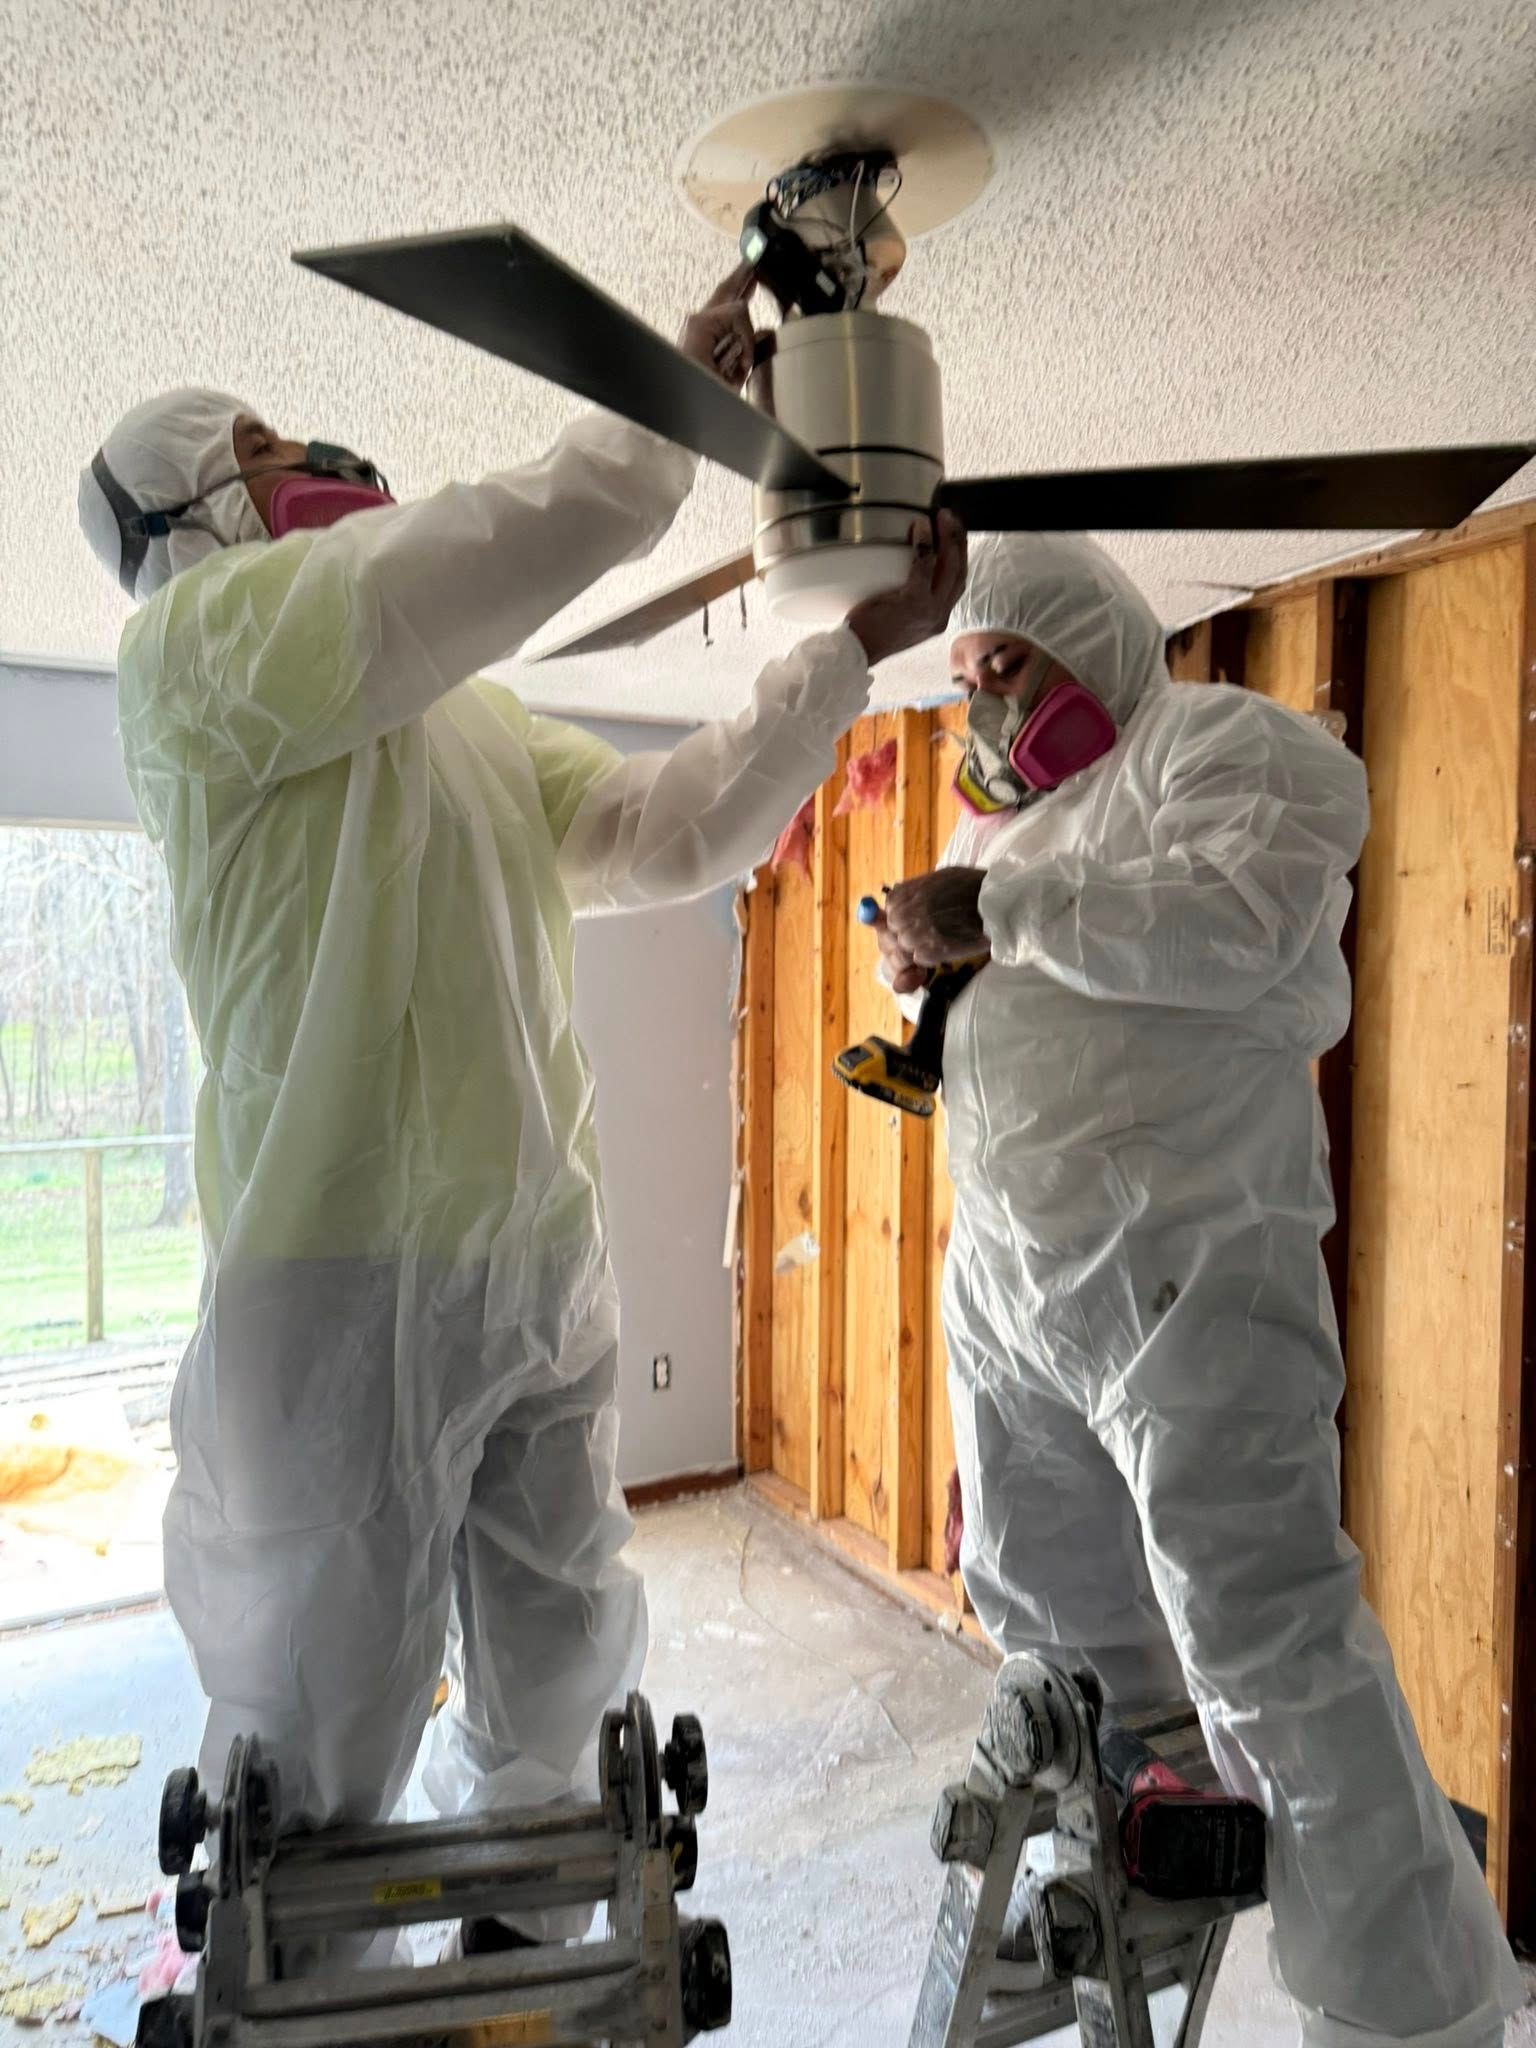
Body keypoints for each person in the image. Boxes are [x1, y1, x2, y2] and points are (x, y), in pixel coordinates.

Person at [77, 268, 966, 1955]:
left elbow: (667, 832)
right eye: (257, 447)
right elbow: (422, 586)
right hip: (334, 1291)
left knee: (556, 1701)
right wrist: (657, 434)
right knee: (318, 1772)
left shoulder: (462, 721)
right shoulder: (186, 664)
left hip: (531, 1264)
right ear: (189, 516)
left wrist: (844, 654)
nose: (307, 453)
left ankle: (521, 1973)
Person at [875, 533, 1524, 2048]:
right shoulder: (1029, 843)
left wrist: (996, 917)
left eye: (1004, 670)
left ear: (1092, 646)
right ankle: (1161, 1817)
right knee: (1056, 1627)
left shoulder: (1228, 750)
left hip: (1187, 1288)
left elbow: (1241, 927)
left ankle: (1410, 2013)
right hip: (1029, 1300)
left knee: (1266, 1639)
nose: (979, 709)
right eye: (963, 681)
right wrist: (938, 987)